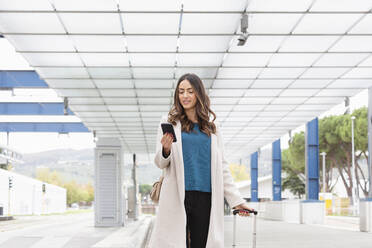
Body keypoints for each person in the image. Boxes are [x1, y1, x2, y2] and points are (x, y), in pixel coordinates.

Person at [148, 73, 254, 248]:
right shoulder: (169, 122)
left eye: (190, 91)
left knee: (201, 243)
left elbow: (222, 166)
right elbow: (160, 163)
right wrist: (166, 149)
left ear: (199, 94)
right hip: (177, 195)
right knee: (174, 243)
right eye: (181, 92)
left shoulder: (212, 127)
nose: (185, 96)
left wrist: (237, 201)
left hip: (206, 197)